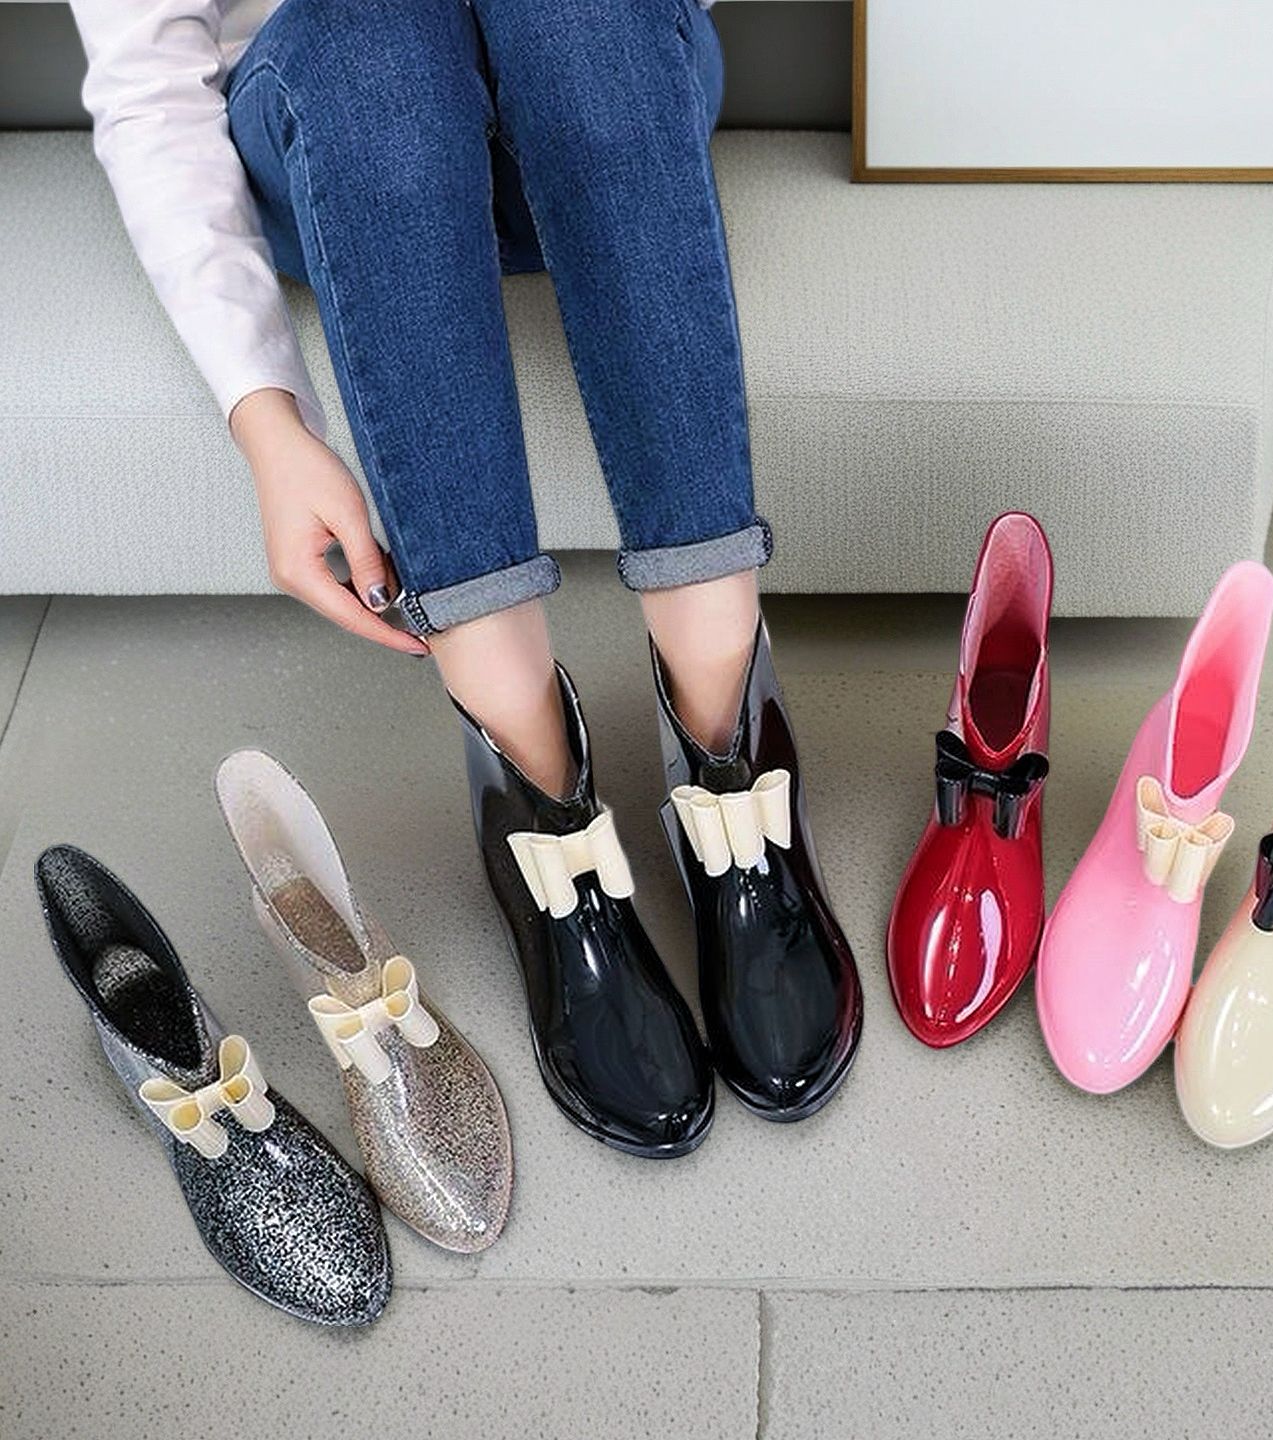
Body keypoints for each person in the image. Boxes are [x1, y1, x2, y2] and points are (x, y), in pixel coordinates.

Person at [71, 0, 862, 1158]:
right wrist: (267, 421)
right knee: (373, 29)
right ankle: (538, 795)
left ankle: (725, 736)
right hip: (347, 140)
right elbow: (149, 89)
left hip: (594, 95)